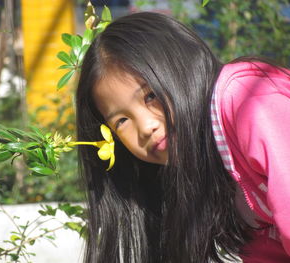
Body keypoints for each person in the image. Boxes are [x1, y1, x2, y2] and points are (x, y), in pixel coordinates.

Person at [75, 11, 290, 263]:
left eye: (150, 95)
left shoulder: (245, 99)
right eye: (121, 121)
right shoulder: (214, 172)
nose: (145, 127)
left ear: (181, 65)